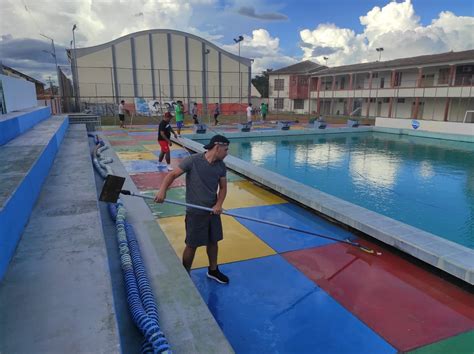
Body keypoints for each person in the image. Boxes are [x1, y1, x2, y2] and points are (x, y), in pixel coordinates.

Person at [154, 135, 230, 284]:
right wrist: (163, 190)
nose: (227, 153)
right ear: (217, 147)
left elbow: (223, 188)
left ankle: (213, 270)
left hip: (212, 211)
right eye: (226, 149)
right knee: (192, 244)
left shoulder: (221, 166)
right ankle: (185, 274)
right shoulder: (193, 161)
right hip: (195, 213)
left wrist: (219, 204)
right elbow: (173, 174)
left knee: (213, 241)